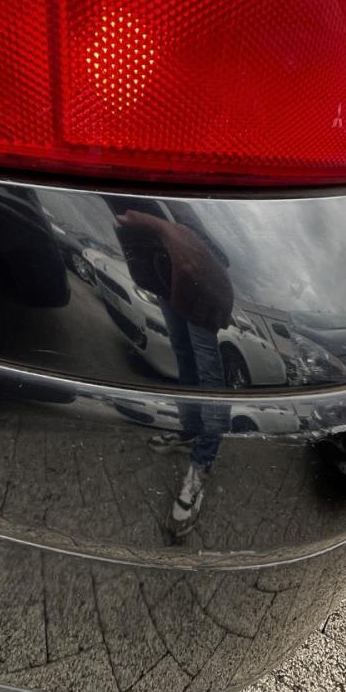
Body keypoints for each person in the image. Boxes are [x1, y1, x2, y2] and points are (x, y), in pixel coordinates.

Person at [114, 207, 234, 537]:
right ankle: (189, 431)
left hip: (196, 280)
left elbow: (214, 251)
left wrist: (149, 223)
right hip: (166, 278)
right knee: (183, 353)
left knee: (209, 369)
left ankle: (202, 462)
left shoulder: (183, 207)